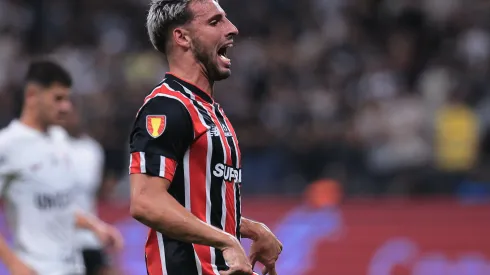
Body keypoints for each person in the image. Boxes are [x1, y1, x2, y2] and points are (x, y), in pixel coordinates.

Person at [128, 1, 282, 275]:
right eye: (215, 22)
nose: (232, 29)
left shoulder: (210, 110)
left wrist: (248, 228)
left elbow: (197, 204)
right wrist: (226, 240)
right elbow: (146, 201)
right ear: (182, 37)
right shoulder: (166, 107)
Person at [0, 60, 123, 275]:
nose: (66, 107)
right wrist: (13, 263)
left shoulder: (59, 139)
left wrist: (96, 227)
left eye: (67, 99)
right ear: (32, 96)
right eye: (58, 99)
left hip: (73, 267)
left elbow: (62, 206)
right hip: (37, 268)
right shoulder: (8, 145)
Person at [62, 102, 121, 275]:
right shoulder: (52, 147)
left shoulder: (93, 150)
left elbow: (98, 191)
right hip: (62, 239)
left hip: (90, 235)